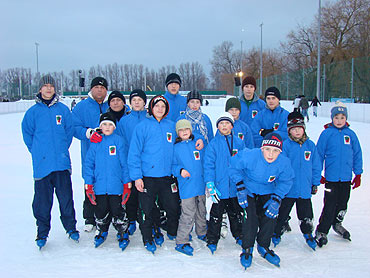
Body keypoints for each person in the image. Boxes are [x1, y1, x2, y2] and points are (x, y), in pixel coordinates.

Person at [21, 74, 79, 249]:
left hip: (61, 163)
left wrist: (60, 150)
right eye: (45, 86)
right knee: (42, 202)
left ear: (55, 89)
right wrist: (39, 152)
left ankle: (71, 227)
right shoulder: (33, 112)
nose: (48, 89)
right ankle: (42, 231)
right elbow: (28, 135)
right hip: (42, 166)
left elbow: (68, 133)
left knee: (66, 198)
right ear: (40, 89)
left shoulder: (63, 110)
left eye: (51, 86)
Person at [229, 132, 294, 269]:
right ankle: (247, 248)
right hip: (248, 189)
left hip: (267, 190)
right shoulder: (250, 155)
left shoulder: (284, 163)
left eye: (275, 151)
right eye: (268, 149)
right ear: (262, 148)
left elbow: (286, 180)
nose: (271, 154)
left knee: (270, 216)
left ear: (280, 152)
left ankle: (264, 246)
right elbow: (233, 166)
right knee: (250, 217)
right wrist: (240, 187)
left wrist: (277, 198)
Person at [128, 95, 180, 254]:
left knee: (172, 206)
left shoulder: (171, 126)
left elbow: (185, 138)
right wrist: (137, 176)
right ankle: (147, 237)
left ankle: (168, 230)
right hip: (147, 176)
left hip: (167, 176)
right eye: (157, 106)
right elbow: (134, 153)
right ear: (151, 108)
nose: (160, 109)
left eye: (163, 107)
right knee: (147, 209)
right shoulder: (142, 126)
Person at [315, 102, 363, 247]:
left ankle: (337, 223)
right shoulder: (327, 134)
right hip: (331, 178)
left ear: (346, 118)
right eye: (336, 117)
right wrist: (319, 174)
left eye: (342, 117)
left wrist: (358, 174)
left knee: (343, 204)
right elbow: (318, 155)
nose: (339, 120)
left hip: (346, 178)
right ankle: (322, 230)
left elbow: (357, 154)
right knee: (329, 205)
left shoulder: (351, 134)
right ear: (332, 118)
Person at [271, 112, 321, 251]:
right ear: (289, 131)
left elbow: (316, 165)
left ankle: (307, 233)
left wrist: (315, 182)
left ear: (304, 129)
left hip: (304, 188)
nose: (297, 131)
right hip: (289, 189)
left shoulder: (310, 145)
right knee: (282, 212)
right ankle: (276, 232)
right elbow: (281, 165)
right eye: (293, 129)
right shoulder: (285, 146)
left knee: (306, 213)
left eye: (299, 128)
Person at [83, 112, 131, 250]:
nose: (107, 127)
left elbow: (124, 165)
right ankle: (102, 229)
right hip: (99, 186)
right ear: (100, 127)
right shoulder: (95, 142)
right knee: (101, 209)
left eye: (110, 124)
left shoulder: (119, 141)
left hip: (116, 186)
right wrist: (89, 184)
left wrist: (127, 184)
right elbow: (89, 164)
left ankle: (122, 231)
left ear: (115, 127)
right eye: (104, 124)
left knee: (118, 210)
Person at [203, 112, 245, 254]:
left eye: (227, 123)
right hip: (219, 188)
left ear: (232, 125)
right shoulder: (213, 144)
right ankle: (212, 239)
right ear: (217, 127)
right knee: (216, 215)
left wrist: (243, 183)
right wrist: (210, 183)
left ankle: (239, 234)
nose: (224, 126)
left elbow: (244, 163)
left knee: (236, 213)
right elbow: (208, 165)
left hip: (234, 188)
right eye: (221, 123)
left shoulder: (239, 143)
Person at [72, 77, 109, 232]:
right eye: (96, 87)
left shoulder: (111, 105)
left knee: (109, 182)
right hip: (90, 154)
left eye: (102, 88)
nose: (99, 90)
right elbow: (73, 127)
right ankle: (89, 217)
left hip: (109, 154)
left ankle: (110, 214)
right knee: (90, 182)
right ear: (91, 89)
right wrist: (87, 133)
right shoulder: (81, 107)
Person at [172, 119, 207, 256]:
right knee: (188, 213)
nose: (184, 132)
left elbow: (205, 161)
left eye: (187, 129)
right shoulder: (175, 148)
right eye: (181, 130)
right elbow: (172, 166)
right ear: (177, 133)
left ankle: (202, 231)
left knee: (202, 211)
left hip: (200, 184)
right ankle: (182, 240)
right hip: (187, 187)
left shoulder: (197, 145)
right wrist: (180, 171)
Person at [116, 89, 148, 236]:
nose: (136, 102)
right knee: (132, 194)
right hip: (130, 162)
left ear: (144, 102)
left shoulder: (149, 119)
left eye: (139, 100)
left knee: (147, 194)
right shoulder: (124, 121)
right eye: (134, 100)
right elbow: (121, 142)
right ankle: (131, 220)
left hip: (147, 163)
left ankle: (148, 220)